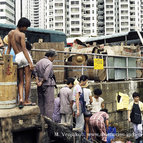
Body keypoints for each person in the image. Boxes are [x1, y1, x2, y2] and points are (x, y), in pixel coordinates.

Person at [6, 17, 34, 109]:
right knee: (28, 79)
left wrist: (6, 59)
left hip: (17, 57)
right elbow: (24, 49)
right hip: (24, 56)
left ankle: (20, 99)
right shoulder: (21, 34)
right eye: (26, 27)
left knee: (21, 81)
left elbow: (9, 48)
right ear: (22, 26)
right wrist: (30, 62)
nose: (26, 29)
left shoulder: (10, 33)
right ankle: (26, 100)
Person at [34, 49, 57, 119]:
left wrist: (38, 81)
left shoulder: (38, 62)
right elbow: (46, 75)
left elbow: (35, 72)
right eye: (54, 57)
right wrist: (42, 81)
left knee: (41, 102)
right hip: (48, 84)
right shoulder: (49, 63)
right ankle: (48, 120)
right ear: (50, 56)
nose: (54, 59)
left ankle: (41, 118)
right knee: (49, 103)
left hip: (39, 84)